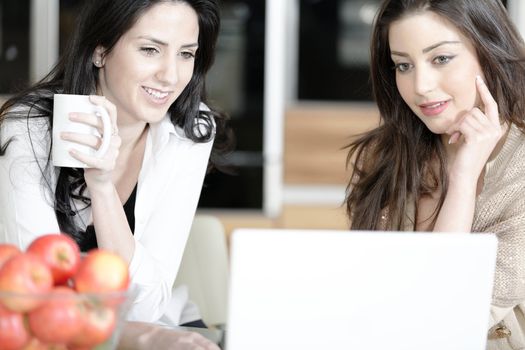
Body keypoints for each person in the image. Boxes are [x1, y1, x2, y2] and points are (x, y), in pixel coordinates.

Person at [0, 0, 231, 342]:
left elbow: (150, 304)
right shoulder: (29, 128)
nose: (170, 76)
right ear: (100, 51)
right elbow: (41, 299)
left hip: (152, 326)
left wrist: (103, 187)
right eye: (150, 49)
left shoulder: (190, 129)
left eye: (186, 54)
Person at [345, 0, 525, 348]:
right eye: (403, 65)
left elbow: (442, 318)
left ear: (489, 50)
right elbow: (363, 300)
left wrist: (463, 179)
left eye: (441, 58)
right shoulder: (387, 154)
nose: (421, 85)